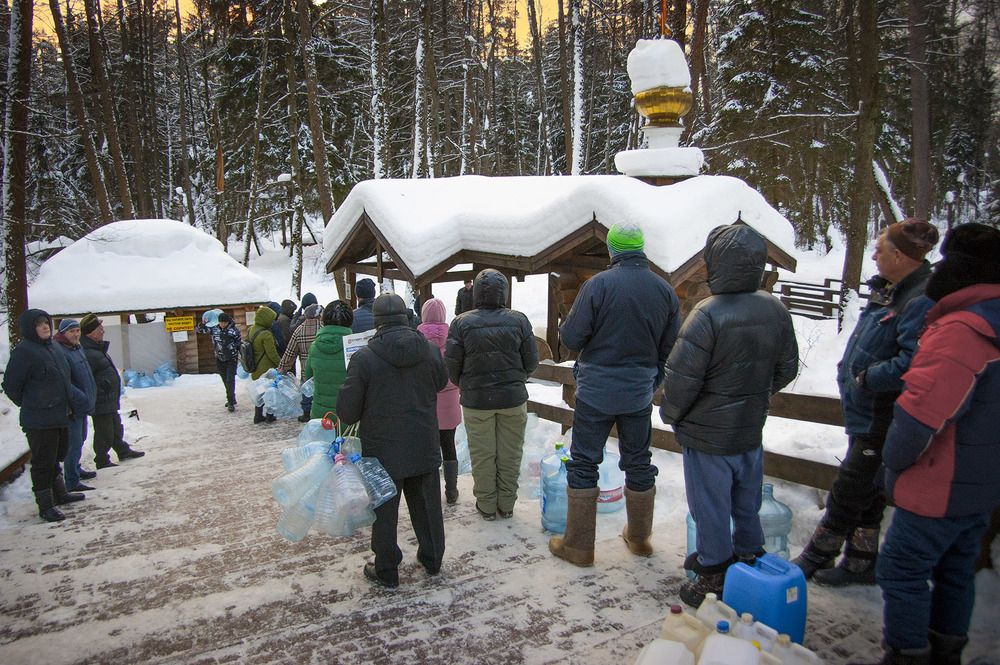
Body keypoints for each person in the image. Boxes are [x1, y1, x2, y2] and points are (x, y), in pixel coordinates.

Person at [848, 224, 1000, 665]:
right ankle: (946, 651)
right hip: (981, 483)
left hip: (941, 479)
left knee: (901, 569)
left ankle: (908, 654)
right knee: (956, 570)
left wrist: (893, 465)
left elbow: (921, 413)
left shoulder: (961, 331)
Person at [793, 219, 940, 587]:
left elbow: (914, 361)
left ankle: (815, 555)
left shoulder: (920, 299)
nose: (873, 256)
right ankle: (860, 561)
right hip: (866, 411)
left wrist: (867, 377)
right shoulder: (892, 290)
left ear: (900, 255)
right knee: (870, 491)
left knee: (848, 488)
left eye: (879, 249)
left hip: (884, 412)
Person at [659, 224, 799, 607]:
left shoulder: (708, 314)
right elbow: (787, 368)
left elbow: (681, 379)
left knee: (711, 508)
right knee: (746, 500)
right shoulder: (775, 308)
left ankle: (713, 574)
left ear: (716, 263)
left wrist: (672, 414)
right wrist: (754, 393)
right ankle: (750, 558)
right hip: (750, 429)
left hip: (707, 435)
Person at [550, 223, 681, 567]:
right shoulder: (664, 291)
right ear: (641, 249)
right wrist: (651, 381)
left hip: (595, 393)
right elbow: (670, 348)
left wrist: (569, 327)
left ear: (612, 251)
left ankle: (578, 547)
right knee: (639, 462)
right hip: (638, 394)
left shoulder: (597, 286)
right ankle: (639, 539)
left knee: (584, 463)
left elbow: (573, 338)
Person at [337, 294, 448, 588]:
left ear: (376, 323)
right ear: (405, 317)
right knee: (427, 505)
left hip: (383, 448)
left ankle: (387, 569)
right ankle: (433, 558)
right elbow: (439, 383)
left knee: (384, 510)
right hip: (423, 440)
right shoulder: (430, 351)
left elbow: (347, 412)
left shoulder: (364, 358)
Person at [444, 269, 539, 520]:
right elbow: (531, 361)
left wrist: (466, 383)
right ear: (504, 293)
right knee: (510, 453)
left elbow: (452, 366)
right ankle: (506, 504)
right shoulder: (519, 320)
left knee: (482, 454)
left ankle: (486, 506)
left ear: (475, 293)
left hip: (477, 401)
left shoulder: (461, 323)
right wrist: (517, 378)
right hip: (512, 398)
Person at [2, 309, 83, 521]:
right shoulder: (24, 351)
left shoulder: (54, 348)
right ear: (31, 328)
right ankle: (45, 505)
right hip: (39, 419)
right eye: (39, 324)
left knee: (58, 455)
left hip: (60, 414)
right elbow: (11, 386)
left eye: (46, 323)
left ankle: (60, 494)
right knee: (43, 462)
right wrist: (32, 404)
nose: (45, 327)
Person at [80, 313, 145, 468]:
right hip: (101, 398)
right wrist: (102, 388)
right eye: (99, 328)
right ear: (91, 332)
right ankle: (101, 460)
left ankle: (123, 451)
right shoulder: (88, 352)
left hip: (108, 397)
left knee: (115, 426)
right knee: (104, 431)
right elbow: (86, 378)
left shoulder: (96, 348)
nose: (103, 330)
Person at [417, 297, 463, 505]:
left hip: (426, 401)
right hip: (450, 402)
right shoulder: (453, 338)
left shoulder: (417, 341)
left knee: (429, 447)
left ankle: (431, 490)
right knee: (448, 444)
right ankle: (451, 490)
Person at [54, 319, 98, 491]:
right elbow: (64, 382)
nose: (76, 334)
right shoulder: (60, 351)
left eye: (77, 330)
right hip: (72, 407)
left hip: (82, 404)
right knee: (73, 443)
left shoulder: (77, 348)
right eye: (71, 331)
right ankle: (71, 481)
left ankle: (76, 470)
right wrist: (79, 397)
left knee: (81, 439)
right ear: (63, 333)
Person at [304, 301, 354, 420]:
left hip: (321, 417)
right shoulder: (355, 347)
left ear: (324, 319)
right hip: (348, 415)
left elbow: (308, 376)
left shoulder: (315, 347)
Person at [279, 302, 323, 422]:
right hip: (322, 369)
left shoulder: (299, 330)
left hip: (305, 369)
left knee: (306, 391)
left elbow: (290, 352)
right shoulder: (323, 328)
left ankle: (306, 412)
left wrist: (282, 368)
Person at [197, 311, 241, 412]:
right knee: (225, 380)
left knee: (230, 380)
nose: (222, 324)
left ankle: (230, 402)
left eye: (224, 323)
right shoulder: (214, 329)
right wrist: (203, 323)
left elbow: (239, 344)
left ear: (227, 322)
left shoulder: (233, 331)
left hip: (231, 359)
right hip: (220, 358)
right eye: (221, 322)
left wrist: (234, 351)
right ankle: (231, 398)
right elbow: (199, 330)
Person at [249, 304, 281, 424]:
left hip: (255, 368)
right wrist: (280, 364)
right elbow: (272, 353)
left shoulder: (252, 329)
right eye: (271, 319)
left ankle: (258, 415)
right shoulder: (266, 334)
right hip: (266, 370)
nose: (272, 322)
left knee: (259, 392)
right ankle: (269, 416)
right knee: (270, 393)